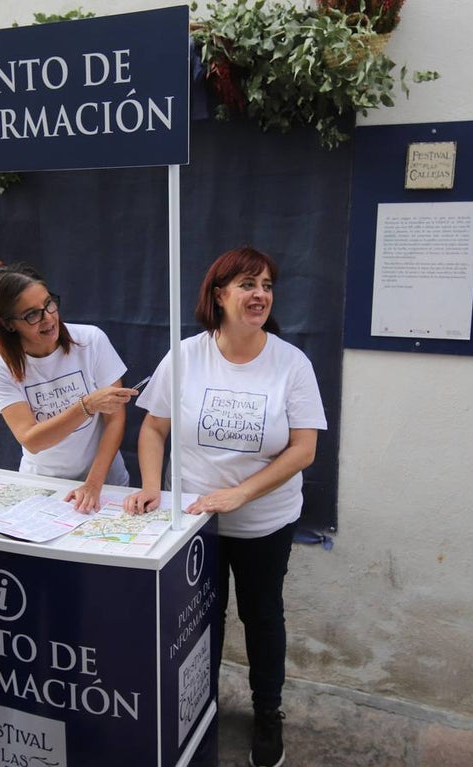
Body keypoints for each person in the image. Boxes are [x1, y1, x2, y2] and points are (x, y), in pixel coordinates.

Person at [124, 246, 327, 767]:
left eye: (266, 285)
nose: (259, 294)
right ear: (219, 295)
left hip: (264, 521)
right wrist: (152, 483)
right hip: (197, 523)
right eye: (246, 284)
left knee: (262, 617)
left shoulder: (290, 362)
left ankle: (267, 712)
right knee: (199, 619)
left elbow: (304, 448)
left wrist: (243, 493)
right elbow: (152, 426)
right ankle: (200, 705)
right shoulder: (186, 356)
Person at [0, 263, 137, 511]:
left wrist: (93, 484)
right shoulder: (0, 367)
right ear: (8, 324)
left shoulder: (90, 341)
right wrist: (86, 406)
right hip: (43, 486)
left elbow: (115, 420)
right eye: (32, 315)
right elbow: (31, 439)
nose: (48, 318)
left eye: (49, 304)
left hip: (104, 482)